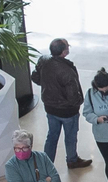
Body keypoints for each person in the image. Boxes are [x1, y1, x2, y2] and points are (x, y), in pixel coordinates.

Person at [32, 39, 89, 168]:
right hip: (68, 112)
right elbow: (73, 97)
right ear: (64, 52)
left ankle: (47, 164)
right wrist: (79, 102)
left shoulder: (44, 61)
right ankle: (72, 160)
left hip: (50, 108)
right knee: (70, 137)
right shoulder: (67, 71)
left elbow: (35, 77)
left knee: (52, 136)